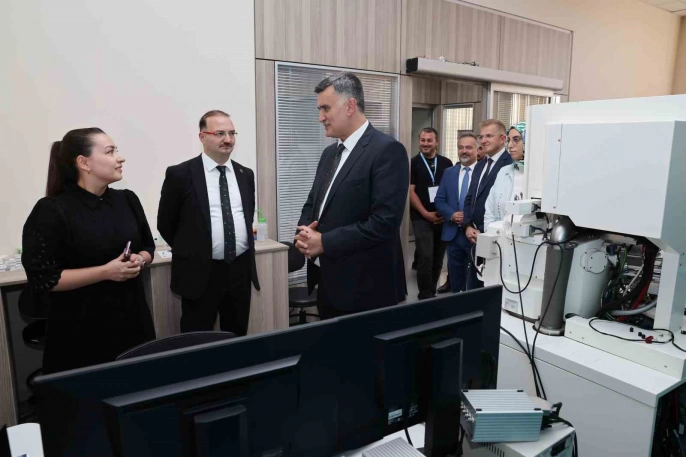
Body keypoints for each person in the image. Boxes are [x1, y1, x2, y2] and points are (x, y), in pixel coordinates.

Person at [22, 128, 155, 374]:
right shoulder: (52, 210)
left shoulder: (127, 200)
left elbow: (148, 247)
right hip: (80, 329)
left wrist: (140, 259)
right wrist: (105, 272)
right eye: (110, 152)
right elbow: (44, 278)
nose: (120, 158)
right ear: (84, 163)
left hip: (132, 320)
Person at [295, 72, 408, 318]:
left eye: (325, 108)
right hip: (328, 282)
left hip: (366, 289)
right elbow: (314, 202)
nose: (320, 117)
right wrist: (304, 234)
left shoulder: (387, 151)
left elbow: (384, 223)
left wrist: (324, 242)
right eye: (319, 109)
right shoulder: (329, 154)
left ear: (350, 106)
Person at [158, 110, 260, 336]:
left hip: (239, 270)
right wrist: (194, 250)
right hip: (200, 273)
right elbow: (166, 223)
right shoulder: (180, 174)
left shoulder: (245, 174)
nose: (228, 139)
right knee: (197, 338)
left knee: (237, 335)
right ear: (202, 137)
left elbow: (247, 216)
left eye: (232, 133)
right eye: (220, 133)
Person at [463, 120, 513, 289]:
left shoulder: (510, 165)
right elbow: (470, 198)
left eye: (489, 136)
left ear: (502, 139)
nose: (483, 141)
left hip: (495, 236)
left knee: (491, 285)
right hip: (473, 235)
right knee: (474, 285)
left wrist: (486, 231)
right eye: (481, 136)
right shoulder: (480, 165)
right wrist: (467, 225)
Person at [410, 128, 453, 299]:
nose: (425, 144)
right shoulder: (413, 163)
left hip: (442, 217)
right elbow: (411, 192)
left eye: (429, 140)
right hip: (421, 217)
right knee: (425, 256)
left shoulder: (446, 163)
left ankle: (432, 291)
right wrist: (426, 213)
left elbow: (451, 190)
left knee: (438, 257)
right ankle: (424, 294)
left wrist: (446, 212)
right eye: (422, 140)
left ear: (437, 142)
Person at [434, 133, 478, 293]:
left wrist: (468, 220)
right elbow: (439, 200)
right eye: (460, 147)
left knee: (474, 279)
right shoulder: (449, 172)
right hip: (453, 234)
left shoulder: (483, 173)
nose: (464, 151)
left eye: (468, 147)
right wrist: (451, 214)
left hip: (474, 234)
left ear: (477, 149)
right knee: (456, 279)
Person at [484, 122, 526, 229]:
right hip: (501, 236)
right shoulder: (504, 172)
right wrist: (493, 234)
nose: (510, 145)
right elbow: (489, 211)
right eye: (509, 140)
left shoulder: (540, 175)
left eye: (516, 139)